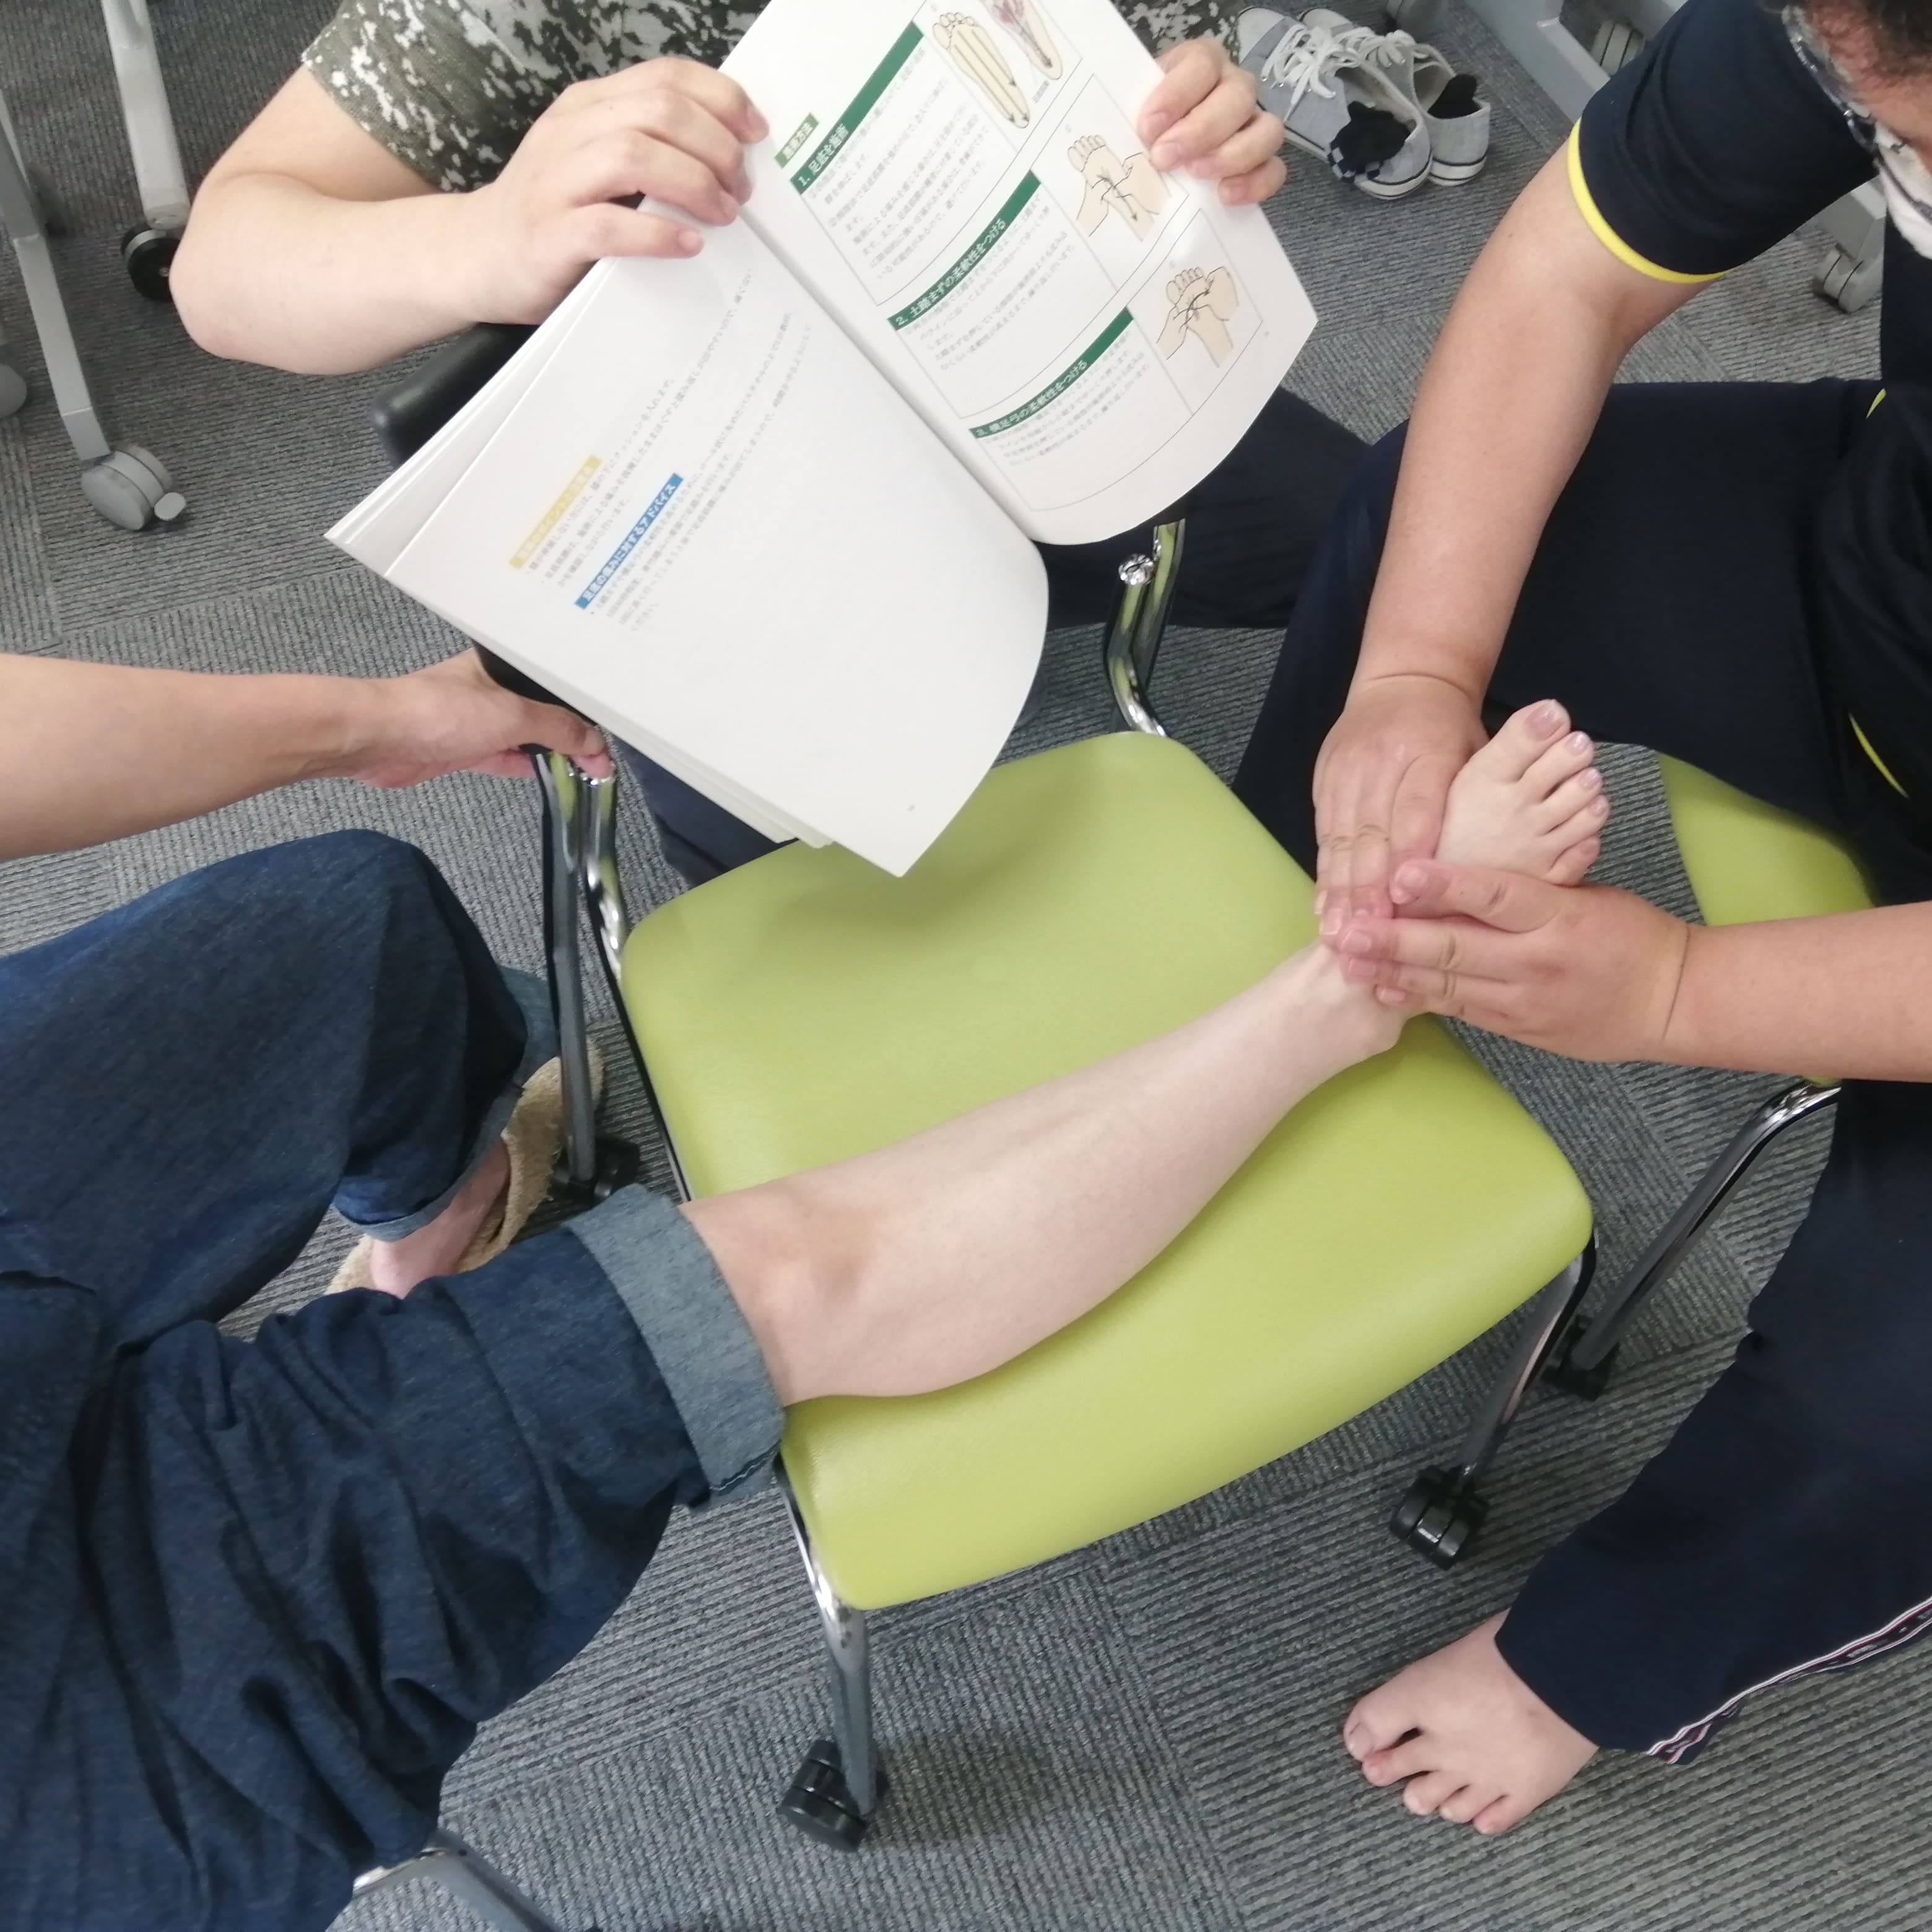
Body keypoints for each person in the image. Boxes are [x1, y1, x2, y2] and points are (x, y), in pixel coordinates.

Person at [0, 638, 1601, 1931]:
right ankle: (1348, 997)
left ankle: (444, 1229)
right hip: (56, 1677)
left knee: (348, 926)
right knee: (785, 1279)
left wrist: (378, 719)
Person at [1227, 0, 1932, 1839]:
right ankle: (1278, 986)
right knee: (1418, 520)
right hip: (1883, 576)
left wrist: (1681, 988)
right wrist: (1417, 674)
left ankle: (1596, 1667)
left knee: (1895, 1412)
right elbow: (1562, 272)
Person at [168, 0, 1370, 883]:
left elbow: (1164, 108)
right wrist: (485, 236)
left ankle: (1289, 880)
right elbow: (221, 271)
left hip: (1040, 400)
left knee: (1397, 554)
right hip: (722, 499)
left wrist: (1210, 122)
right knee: (815, 921)